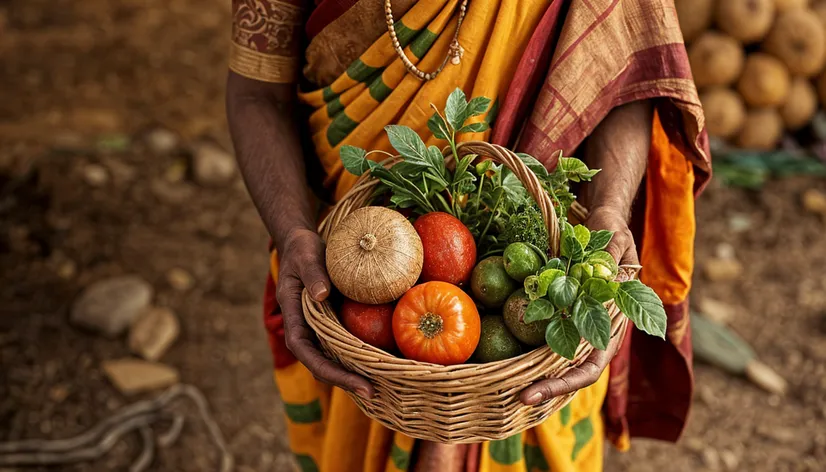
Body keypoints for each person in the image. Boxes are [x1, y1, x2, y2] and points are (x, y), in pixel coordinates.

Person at [226, 0, 711, 470]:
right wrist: (292, 232)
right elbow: (256, 93)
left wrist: (607, 207)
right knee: (358, 410)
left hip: (544, 256)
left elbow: (626, 68)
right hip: (347, 247)